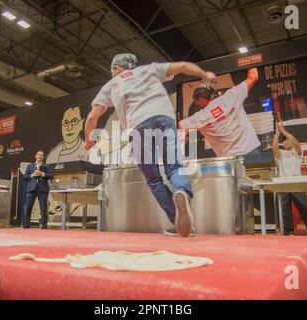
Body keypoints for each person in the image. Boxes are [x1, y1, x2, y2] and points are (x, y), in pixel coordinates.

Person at [84, 53, 216, 237]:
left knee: (154, 180)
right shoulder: (149, 69)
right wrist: (204, 73)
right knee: (174, 167)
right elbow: (183, 66)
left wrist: (89, 141)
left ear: (116, 69)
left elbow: (92, 117)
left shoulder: (110, 85)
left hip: (137, 127)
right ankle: (181, 191)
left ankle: (177, 220)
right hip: (164, 118)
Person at [179, 68, 261, 157]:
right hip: (252, 150)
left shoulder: (200, 117)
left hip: (230, 159)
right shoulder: (232, 96)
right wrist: (250, 58)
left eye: (196, 101)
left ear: (201, 99)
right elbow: (254, 76)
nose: (196, 104)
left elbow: (178, 127)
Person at [272, 123, 307, 236]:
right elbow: (274, 149)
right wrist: (276, 135)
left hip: (296, 184)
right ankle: (285, 232)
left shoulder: (297, 153)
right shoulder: (281, 154)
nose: (287, 142)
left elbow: (296, 143)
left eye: (288, 140)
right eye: (284, 141)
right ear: (282, 143)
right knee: (284, 210)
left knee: (305, 208)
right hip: (283, 184)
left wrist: (284, 131)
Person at [22, 150, 54, 229]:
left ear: (43, 157)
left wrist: (42, 174)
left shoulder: (47, 166)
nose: (40, 156)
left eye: (41, 155)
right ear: (35, 156)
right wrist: (33, 175)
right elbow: (25, 177)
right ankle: (26, 225)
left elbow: (51, 176)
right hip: (31, 189)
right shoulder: (30, 166)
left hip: (42, 189)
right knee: (27, 207)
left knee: (43, 208)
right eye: (38, 154)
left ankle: (43, 225)